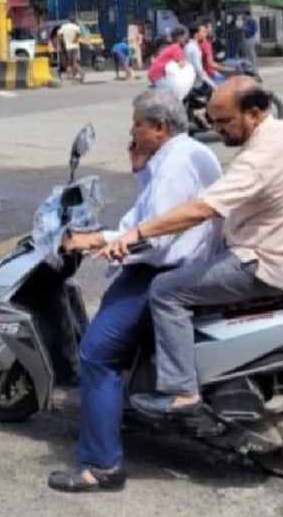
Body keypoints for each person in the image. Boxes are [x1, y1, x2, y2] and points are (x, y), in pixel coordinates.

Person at [101, 76, 283, 416]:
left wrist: (135, 234)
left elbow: (203, 209)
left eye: (224, 122)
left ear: (253, 114)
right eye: (212, 121)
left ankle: (182, 391)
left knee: (165, 290)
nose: (217, 130)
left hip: (266, 263)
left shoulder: (259, 157)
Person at [47, 89, 223, 493]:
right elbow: (145, 216)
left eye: (137, 126)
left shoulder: (176, 165)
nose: (132, 132)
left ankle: (100, 465)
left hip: (160, 273)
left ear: (159, 128)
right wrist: (95, 237)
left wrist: (104, 242)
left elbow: (152, 237)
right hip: (179, 264)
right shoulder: (175, 157)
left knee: (96, 354)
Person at [146, 26, 190, 94]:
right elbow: (181, 66)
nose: (186, 39)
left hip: (153, 72)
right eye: (184, 37)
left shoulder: (172, 46)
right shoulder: (177, 48)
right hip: (158, 75)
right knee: (170, 97)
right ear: (179, 38)